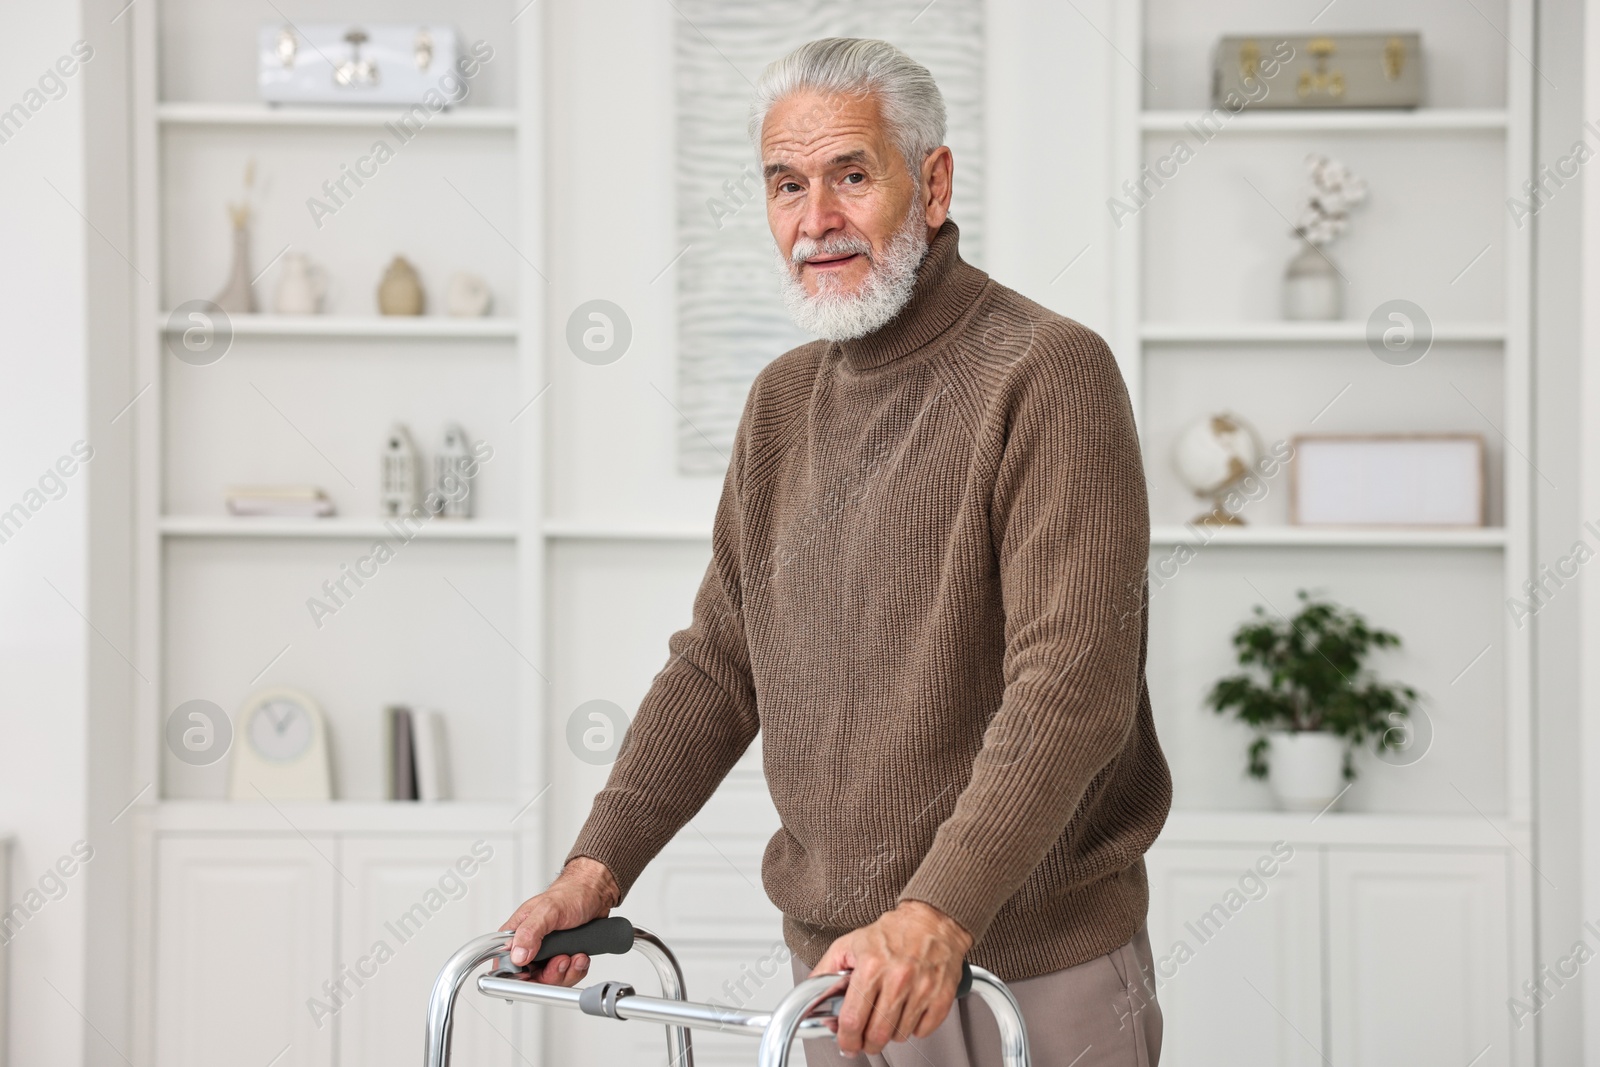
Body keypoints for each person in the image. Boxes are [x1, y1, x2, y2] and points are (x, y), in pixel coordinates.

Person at [501, 37, 1172, 1067]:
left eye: (850, 176)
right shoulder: (780, 402)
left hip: (1022, 968)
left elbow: (1069, 688)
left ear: (933, 181)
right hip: (842, 978)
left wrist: (935, 914)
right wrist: (597, 865)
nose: (815, 221)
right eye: (785, 185)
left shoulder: (1046, 372)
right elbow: (719, 663)